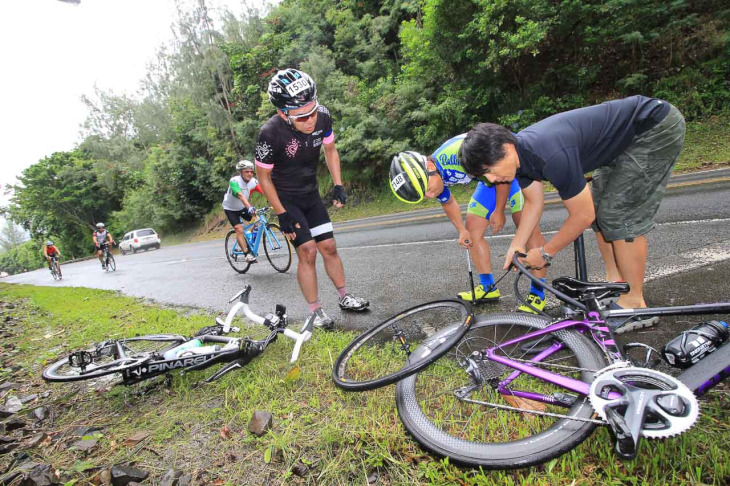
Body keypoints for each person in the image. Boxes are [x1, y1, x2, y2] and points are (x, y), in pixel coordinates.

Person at [459, 95, 685, 333]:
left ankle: (634, 304)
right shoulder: (520, 160)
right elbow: (533, 203)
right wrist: (517, 244)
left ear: (505, 149)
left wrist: (546, 253)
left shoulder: (549, 153)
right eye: (485, 178)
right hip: (622, 143)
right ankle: (618, 284)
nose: (492, 180)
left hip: (653, 127)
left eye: (490, 172)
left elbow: (582, 215)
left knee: (619, 215)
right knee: (603, 213)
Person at [255, 68, 369, 330]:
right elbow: (263, 178)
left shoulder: (324, 117)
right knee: (308, 252)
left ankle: (344, 297)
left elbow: (330, 149)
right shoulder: (269, 134)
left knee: (328, 246)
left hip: (311, 194)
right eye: (302, 116)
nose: (310, 120)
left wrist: (338, 184)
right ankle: (315, 311)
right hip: (287, 200)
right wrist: (281, 214)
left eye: (313, 111)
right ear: (283, 113)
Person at [389, 137, 548, 313]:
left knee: (526, 226)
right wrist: (461, 230)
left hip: (511, 170)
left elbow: (502, 175)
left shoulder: (455, 158)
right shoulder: (436, 175)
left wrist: (499, 210)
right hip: (489, 179)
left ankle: (538, 293)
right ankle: (488, 287)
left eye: (426, 189)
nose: (429, 195)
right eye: (423, 195)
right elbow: (448, 202)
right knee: (472, 230)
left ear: (430, 167)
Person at [222, 159, 264, 263]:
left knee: (258, 222)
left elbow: (265, 191)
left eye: (251, 171)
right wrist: (249, 206)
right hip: (230, 209)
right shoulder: (234, 181)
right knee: (239, 229)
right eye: (246, 171)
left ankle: (248, 237)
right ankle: (247, 254)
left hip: (242, 207)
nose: (250, 174)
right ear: (240, 172)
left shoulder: (253, 181)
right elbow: (240, 195)